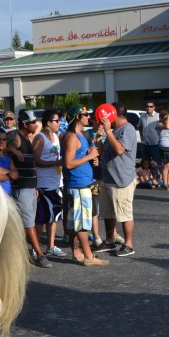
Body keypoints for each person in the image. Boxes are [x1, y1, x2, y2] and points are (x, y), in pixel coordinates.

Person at [61, 105, 107, 267]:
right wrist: (89, 157)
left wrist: (92, 154)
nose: (89, 117)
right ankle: (88, 256)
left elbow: (90, 151)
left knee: (75, 222)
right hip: (78, 184)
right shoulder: (72, 137)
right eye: (85, 114)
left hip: (82, 182)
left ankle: (77, 253)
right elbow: (68, 163)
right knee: (82, 223)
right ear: (77, 117)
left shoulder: (81, 135)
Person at [96, 106, 138, 256]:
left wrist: (108, 131)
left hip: (122, 180)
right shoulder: (113, 131)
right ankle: (109, 241)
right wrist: (98, 138)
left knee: (124, 213)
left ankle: (128, 244)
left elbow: (120, 150)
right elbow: (101, 153)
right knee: (108, 213)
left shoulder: (128, 129)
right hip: (108, 178)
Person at [10, 110, 49, 268]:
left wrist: (35, 186)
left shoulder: (26, 138)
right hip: (22, 187)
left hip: (31, 186)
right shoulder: (15, 136)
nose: (36, 125)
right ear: (25, 124)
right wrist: (13, 149)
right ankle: (39, 254)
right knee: (28, 222)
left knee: (29, 221)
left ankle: (29, 251)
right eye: (33, 123)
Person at [33, 109, 66, 258]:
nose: (59, 123)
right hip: (43, 183)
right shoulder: (40, 138)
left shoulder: (56, 137)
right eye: (56, 121)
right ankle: (36, 248)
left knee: (54, 216)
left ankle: (51, 246)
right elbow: (36, 161)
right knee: (41, 217)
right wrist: (56, 163)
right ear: (48, 123)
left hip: (56, 182)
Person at [141, 101, 161, 172]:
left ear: (154, 107)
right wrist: (141, 136)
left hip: (155, 143)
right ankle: (147, 177)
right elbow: (140, 126)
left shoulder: (158, 116)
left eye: (151, 106)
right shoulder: (142, 116)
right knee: (145, 163)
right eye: (147, 106)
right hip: (145, 143)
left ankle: (158, 176)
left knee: (157, 162)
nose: (149, 108)